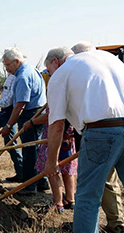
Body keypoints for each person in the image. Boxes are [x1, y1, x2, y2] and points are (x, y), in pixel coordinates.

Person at [44, 47, 124, 233]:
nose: (49, 74)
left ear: (55, 61)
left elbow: (56, 125)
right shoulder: (109, 59)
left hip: (101, 133)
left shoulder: (62, 72)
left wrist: (52, 162)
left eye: (49, 70)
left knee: (88, 198)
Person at [71, 41, 124, 233]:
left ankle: (116, 223)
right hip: (103, 133)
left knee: (89, 195)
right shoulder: (113, 64)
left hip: (100, 135)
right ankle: (116, 222)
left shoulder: (77, 68)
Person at [0, 47, 48, 193]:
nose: (6, 68)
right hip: (36, 112)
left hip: (30, 114)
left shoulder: (22, 77)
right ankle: (41, 181)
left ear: (17, 61)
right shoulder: (30, 70)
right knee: (37, 149)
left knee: (29, 150)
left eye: (8, 65)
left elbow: (20, 105)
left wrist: (9, 125)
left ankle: (29, 185)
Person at [23, 107, 78, 213]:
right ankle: (70, 200)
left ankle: (58, 204)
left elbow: (52, 116)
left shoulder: (57, 91)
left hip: (56, 135)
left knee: (52, 167)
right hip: (68, 133)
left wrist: (32, 122)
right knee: (67, 166)